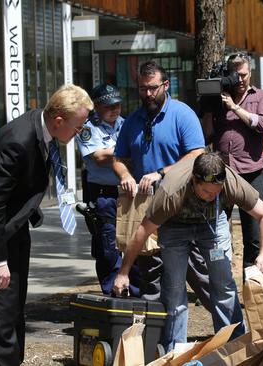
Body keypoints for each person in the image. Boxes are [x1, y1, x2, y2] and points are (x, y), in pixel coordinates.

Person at [0, 84, 93, 366]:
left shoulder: (44, 130)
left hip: (15, 229)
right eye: (77, 128)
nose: (78, 135)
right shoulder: (19, 140)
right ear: (59, 120)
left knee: (16, 311)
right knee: (4, 316)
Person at [113, 152, 263, 351]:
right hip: (174, 228)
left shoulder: (231, 182)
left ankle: (234, 344)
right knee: (174, 288)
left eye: (216, 191)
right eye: (206, 191)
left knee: (223, 283)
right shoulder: (172, 192)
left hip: (213, 223)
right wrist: (123, 272)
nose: (212, 195)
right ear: (194, 181)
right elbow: (141, 233)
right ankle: (174, 349)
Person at [112, 60, 212, 305]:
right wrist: (125, 175)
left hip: (183, 208)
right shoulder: (132, 121)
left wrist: (161, 172)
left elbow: (197, 154)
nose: (148, 94)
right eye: (143, 89)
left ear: (166, 85)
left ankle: (234, 329)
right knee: (150, 277)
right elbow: (118, 159)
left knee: (202, 277)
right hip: (147, 209)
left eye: (153, 88)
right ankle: (155, 336)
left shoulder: (182, 114)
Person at [208, 53, 263, 277]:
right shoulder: (220, 99)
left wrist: (234, 108)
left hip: (251, 174)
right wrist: (208, 105)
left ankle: (251, 286)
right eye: (235, 75)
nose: (240, 80)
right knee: (215, 233)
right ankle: (218, 282)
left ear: (250, 72)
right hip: (223, 175)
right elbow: (207, 133)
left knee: (253, 236)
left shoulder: (261, 96)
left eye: (244, 75)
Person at [75, 83, 139, 296]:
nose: (115, 110)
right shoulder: (87, 128)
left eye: (118, 105)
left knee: (133, 238)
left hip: (127, 192)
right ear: (96, 106)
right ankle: (112, 289)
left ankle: (135, 288)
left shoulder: (127, 124)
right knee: (108, 244)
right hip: (103, 193)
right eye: (109, 106)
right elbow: (98, 157)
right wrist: (123, 150)